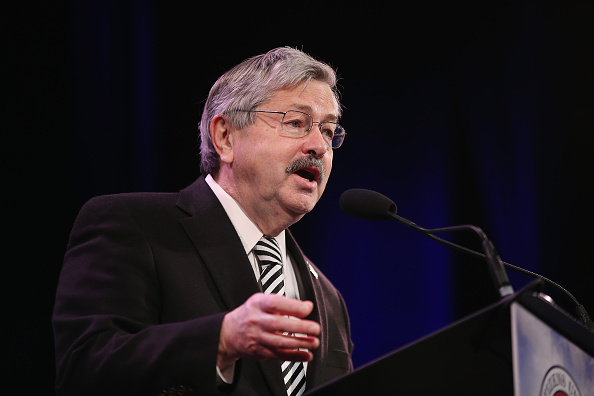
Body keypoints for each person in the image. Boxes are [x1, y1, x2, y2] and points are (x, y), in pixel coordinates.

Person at [52, 47, 354, 396]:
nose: (319, 145)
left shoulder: (329, 298)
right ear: (225, 137)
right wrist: (220, 341)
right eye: (295, 123)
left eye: (329, 131)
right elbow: (83, 369)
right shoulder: (134, 226)